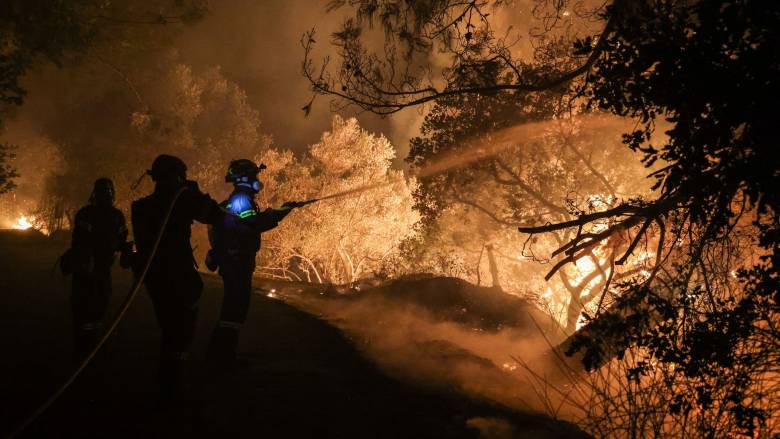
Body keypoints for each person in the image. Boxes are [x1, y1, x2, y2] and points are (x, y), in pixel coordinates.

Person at [131, 154, 223, 399]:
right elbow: (214, 215)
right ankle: (170, 387)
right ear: (175, 177)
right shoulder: (179, 201)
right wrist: (196, 192)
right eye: (182, 176)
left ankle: (168, 380)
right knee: (181, 328)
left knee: (171, 328)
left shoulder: (142, 207)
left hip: (153, 276)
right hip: (176, 273)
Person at [205, 159, 303, 368]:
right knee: (235, 309)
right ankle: (221, 358)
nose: (258, 180)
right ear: (246, 178)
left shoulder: (239, 199)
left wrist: (283, 209)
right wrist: (282, 211)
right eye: (255, 176)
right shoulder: (241, 199)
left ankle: (220, 354)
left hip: (235, 262)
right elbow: (254, 224)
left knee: (233, 309)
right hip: (236, 263)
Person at [69, 178, 130, 360]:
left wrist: (128, 251)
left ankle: (92, 341)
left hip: (103, 267)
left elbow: (121, 240)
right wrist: (85, 260)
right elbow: (80, 239)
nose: (107, 195)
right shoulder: (86, 214)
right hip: (85, 267)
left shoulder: (116, 216)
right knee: (84, 305)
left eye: (109, 191)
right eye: (104, 191)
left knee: (102, 301)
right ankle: (84, 345)